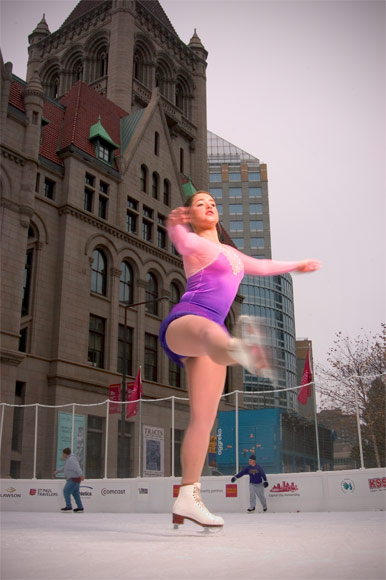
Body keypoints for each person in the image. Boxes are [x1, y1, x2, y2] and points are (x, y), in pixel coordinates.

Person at [159, 191, 321, 529]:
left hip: (213, 333)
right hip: (187, 321)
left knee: (204, 421)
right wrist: (174, 226)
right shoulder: (196, 244)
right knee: (210, 335)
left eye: (212, 202)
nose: (209, 206)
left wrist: (296, 265)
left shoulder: (231, 253)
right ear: (190, 214)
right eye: (200, 203)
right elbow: (183, 244)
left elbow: (261, 266)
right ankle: (236, 347)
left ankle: (188, 497)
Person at [53, 447, 85, 512]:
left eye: (63, 454)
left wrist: (81, 474)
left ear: (65, 453)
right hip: (75, 479)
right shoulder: (69, 459)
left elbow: (77, 467)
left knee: (66, 491)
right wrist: (58, 471)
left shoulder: (71, 459)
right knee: (75, 494)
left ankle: (69, 507)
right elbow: (65, 468)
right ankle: (80, 507)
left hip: (73, 479)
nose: (62, 455)